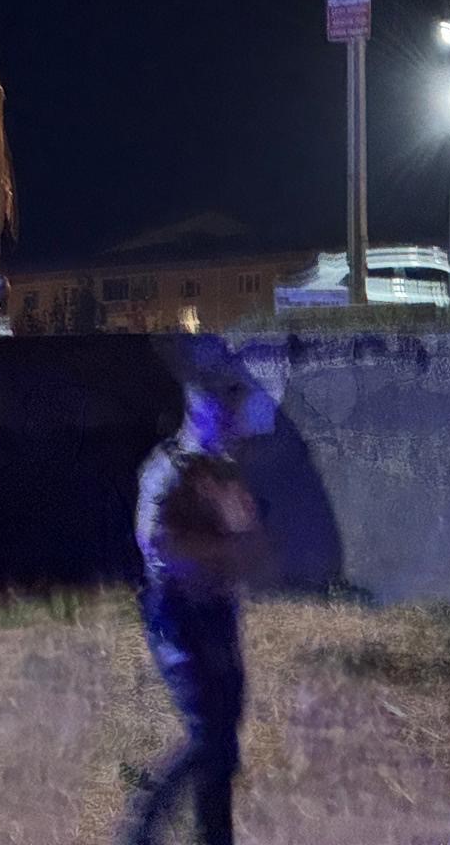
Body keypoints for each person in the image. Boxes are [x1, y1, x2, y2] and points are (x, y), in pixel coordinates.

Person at [120, 341, 267, 845]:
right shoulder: (168, 469)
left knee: (224, 742)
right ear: (199, 410)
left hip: (218, 612)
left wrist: (228, 548)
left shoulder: (222, 474)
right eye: (221, 409)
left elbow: (251, 544)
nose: (230, 419)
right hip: (178, 614)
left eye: (233, 408)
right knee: (207, 735)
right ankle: (142, 830)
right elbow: (159, 546)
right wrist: (221, 550)